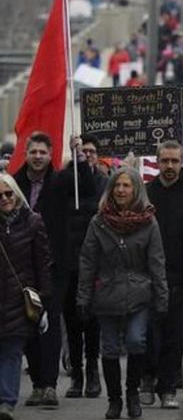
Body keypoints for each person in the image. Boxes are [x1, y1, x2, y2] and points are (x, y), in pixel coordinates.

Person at [77, 167, 168, 420]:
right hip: (106, 294)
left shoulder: (149, 222)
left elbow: (157, 263)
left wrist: (162, 299)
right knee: (109, 347)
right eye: (117, 185)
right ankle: (114, 399)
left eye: (126, 186)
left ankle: (132, 393)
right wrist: (83, 298)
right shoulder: (98, 222)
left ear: (136, 189)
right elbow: (87, 261)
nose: (121, 190)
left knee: (136, 340)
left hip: (139, 294)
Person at [14, 132, 94, 409]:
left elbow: (87, 187)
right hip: (21, 268)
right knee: (27, 325)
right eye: (33, 152)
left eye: (43, 153)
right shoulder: (13, 183)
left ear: (50, 155)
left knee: (49, 322)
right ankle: (36, 382)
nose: (38, 157)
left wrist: (80, 157)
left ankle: (49, 385)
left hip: (53, 266)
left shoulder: (62, 181)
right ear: (26, 154)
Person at [143, 140, 183, 409]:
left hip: (179, 280)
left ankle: (168, 387)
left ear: (182, 163)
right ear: (157, 162)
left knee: (174, 336)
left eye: (175, 161)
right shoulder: (144, 194)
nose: (170, 166)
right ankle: (146, 379)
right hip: (147, 279)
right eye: (165, 161)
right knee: (148, 335)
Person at [0, 174, 52, 420]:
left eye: (8, 194)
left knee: (11, 350)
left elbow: (42, 263)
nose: (4, 199)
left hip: (19, 299)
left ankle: (6, 401)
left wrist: (43, 297)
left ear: (16, 194)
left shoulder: (33, 222)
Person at [63, 134, 109, 399]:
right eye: (83, 151)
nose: (88, 155)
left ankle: (93, 370)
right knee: (71, 320)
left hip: (96, 264)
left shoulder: (104, 183)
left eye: (91, 151)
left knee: (92, 320)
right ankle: (76, 374)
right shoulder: (68, 181)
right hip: (70, 262)